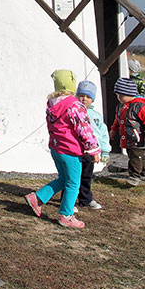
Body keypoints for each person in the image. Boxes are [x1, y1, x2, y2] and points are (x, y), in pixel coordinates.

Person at [26, 69, 100, 229]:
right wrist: (93, 149)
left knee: (63, 179)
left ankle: (38, 197)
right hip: (70, 150)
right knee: (74, 182)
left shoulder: (53, 103)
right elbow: (83, 127)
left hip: (56, 147)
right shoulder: (74, 105)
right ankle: (66, 214)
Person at [111, 76, 145, 184]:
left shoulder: (140, 107)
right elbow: (117, 120)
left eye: (121, 95)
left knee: (135, 157)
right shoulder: (120, 107)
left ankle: (134, 176)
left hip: (138, 138)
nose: (119, 98)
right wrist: (113, 130)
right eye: (118, 95)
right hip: (128, 138)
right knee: (138, 156)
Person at [74, 80, 111, 209]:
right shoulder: (74, 112)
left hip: (91, 152)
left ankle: (85, 199)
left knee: (86, 177)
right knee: (73, 177)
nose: (84, 99)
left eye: (88, 97)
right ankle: (70, 201)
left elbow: (103, 133)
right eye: (82, 96)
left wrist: (105, 150)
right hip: (77, 150)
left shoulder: (96, 116)